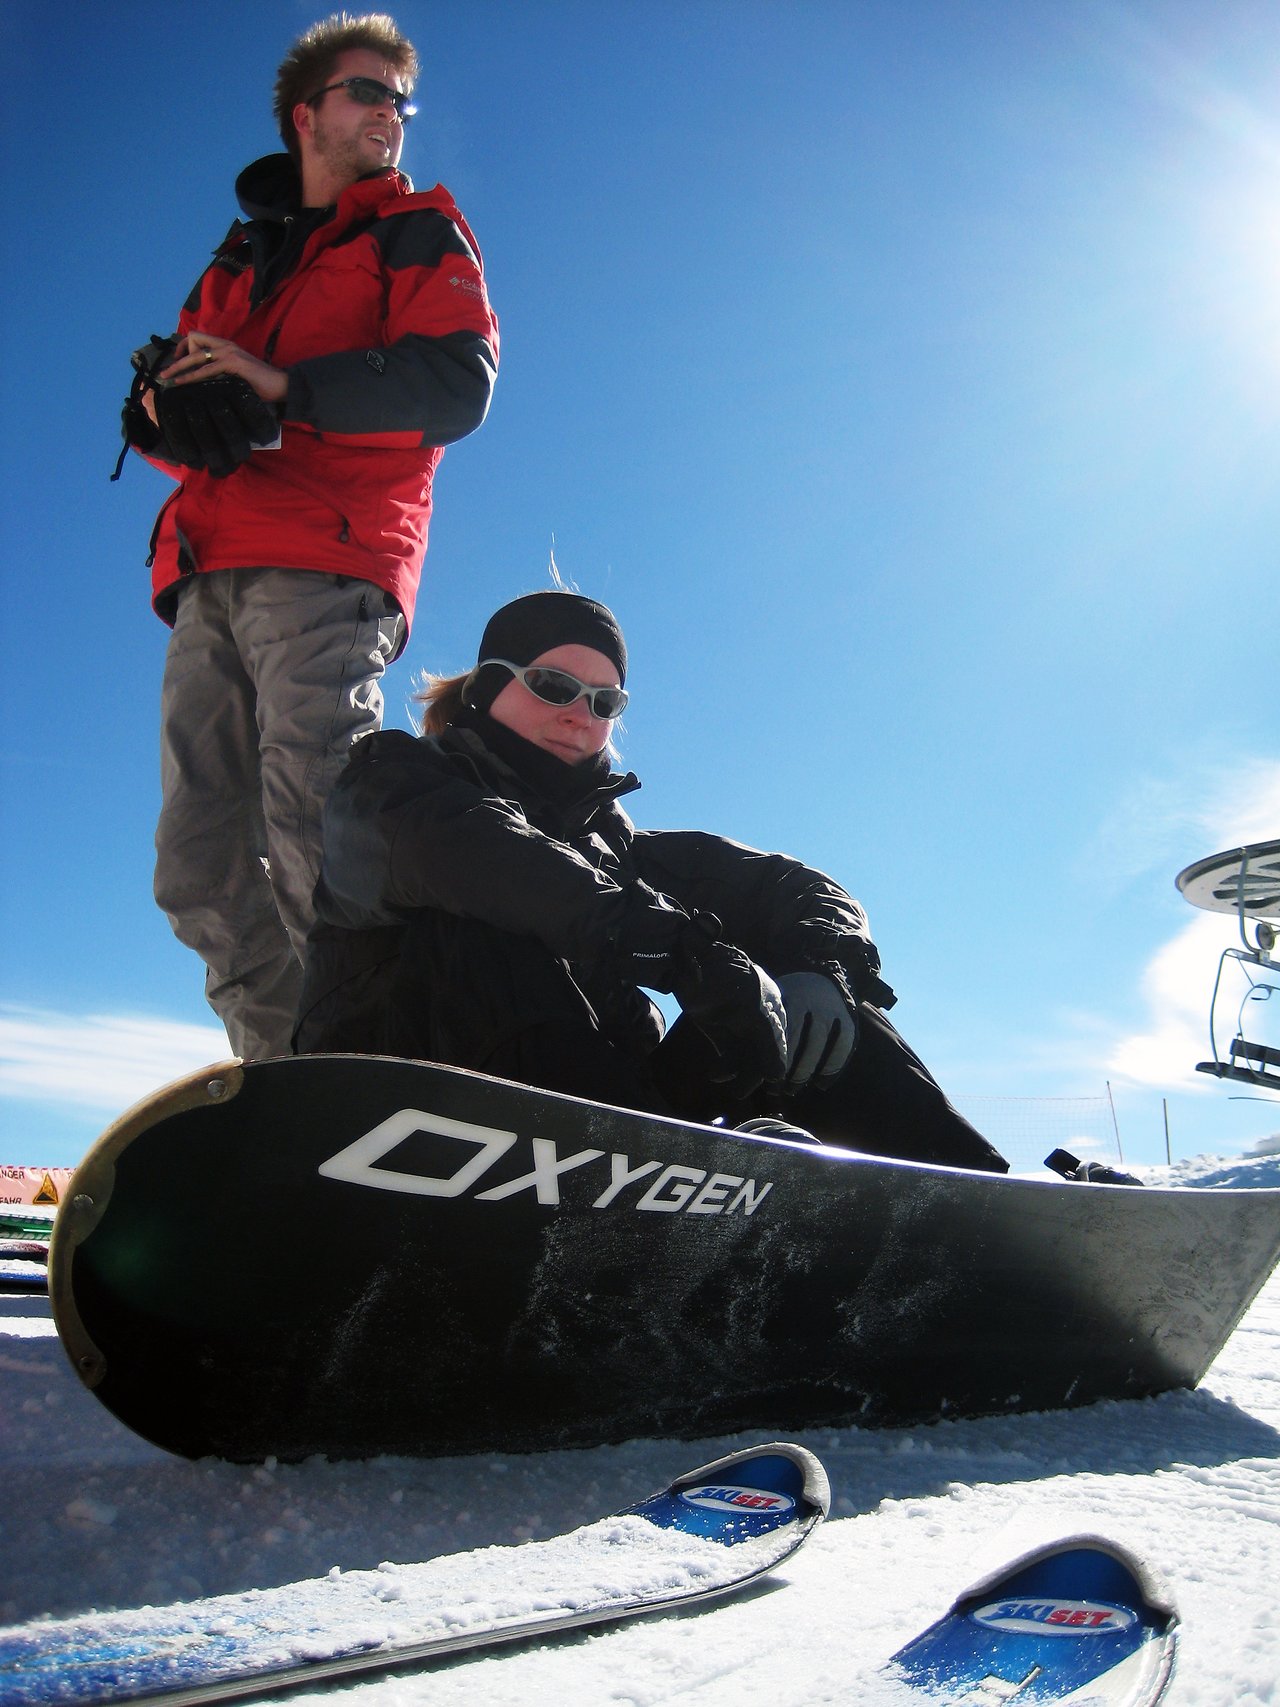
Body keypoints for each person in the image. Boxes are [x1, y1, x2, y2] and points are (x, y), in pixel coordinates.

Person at [295, 590, 1008, 1173]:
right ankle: (603, 1167)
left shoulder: (622, 851)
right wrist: (672, 948)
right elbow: (482, 855)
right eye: (554, 685)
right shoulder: (390, 786)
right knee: (490, 917)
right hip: (410, 1128)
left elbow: (787, 887)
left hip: (625, 1141)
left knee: (813, 1004)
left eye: (606, 703)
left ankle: (988, 1222)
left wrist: (818, 967)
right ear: (486, 688)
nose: (580, 712)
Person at [118, 13, 499, 1061]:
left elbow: (455, 384)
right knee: (195, 863)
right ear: (305, 115)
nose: (390, 114)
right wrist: (158, 411)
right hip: (206, 571)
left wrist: (284, 386)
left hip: (328, 557)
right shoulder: (236, 263)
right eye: (366, 93)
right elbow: (186, 415)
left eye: (398, 100)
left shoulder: (416, 227)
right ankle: (293, 1084)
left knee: (313, 827)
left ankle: (383, 1061)